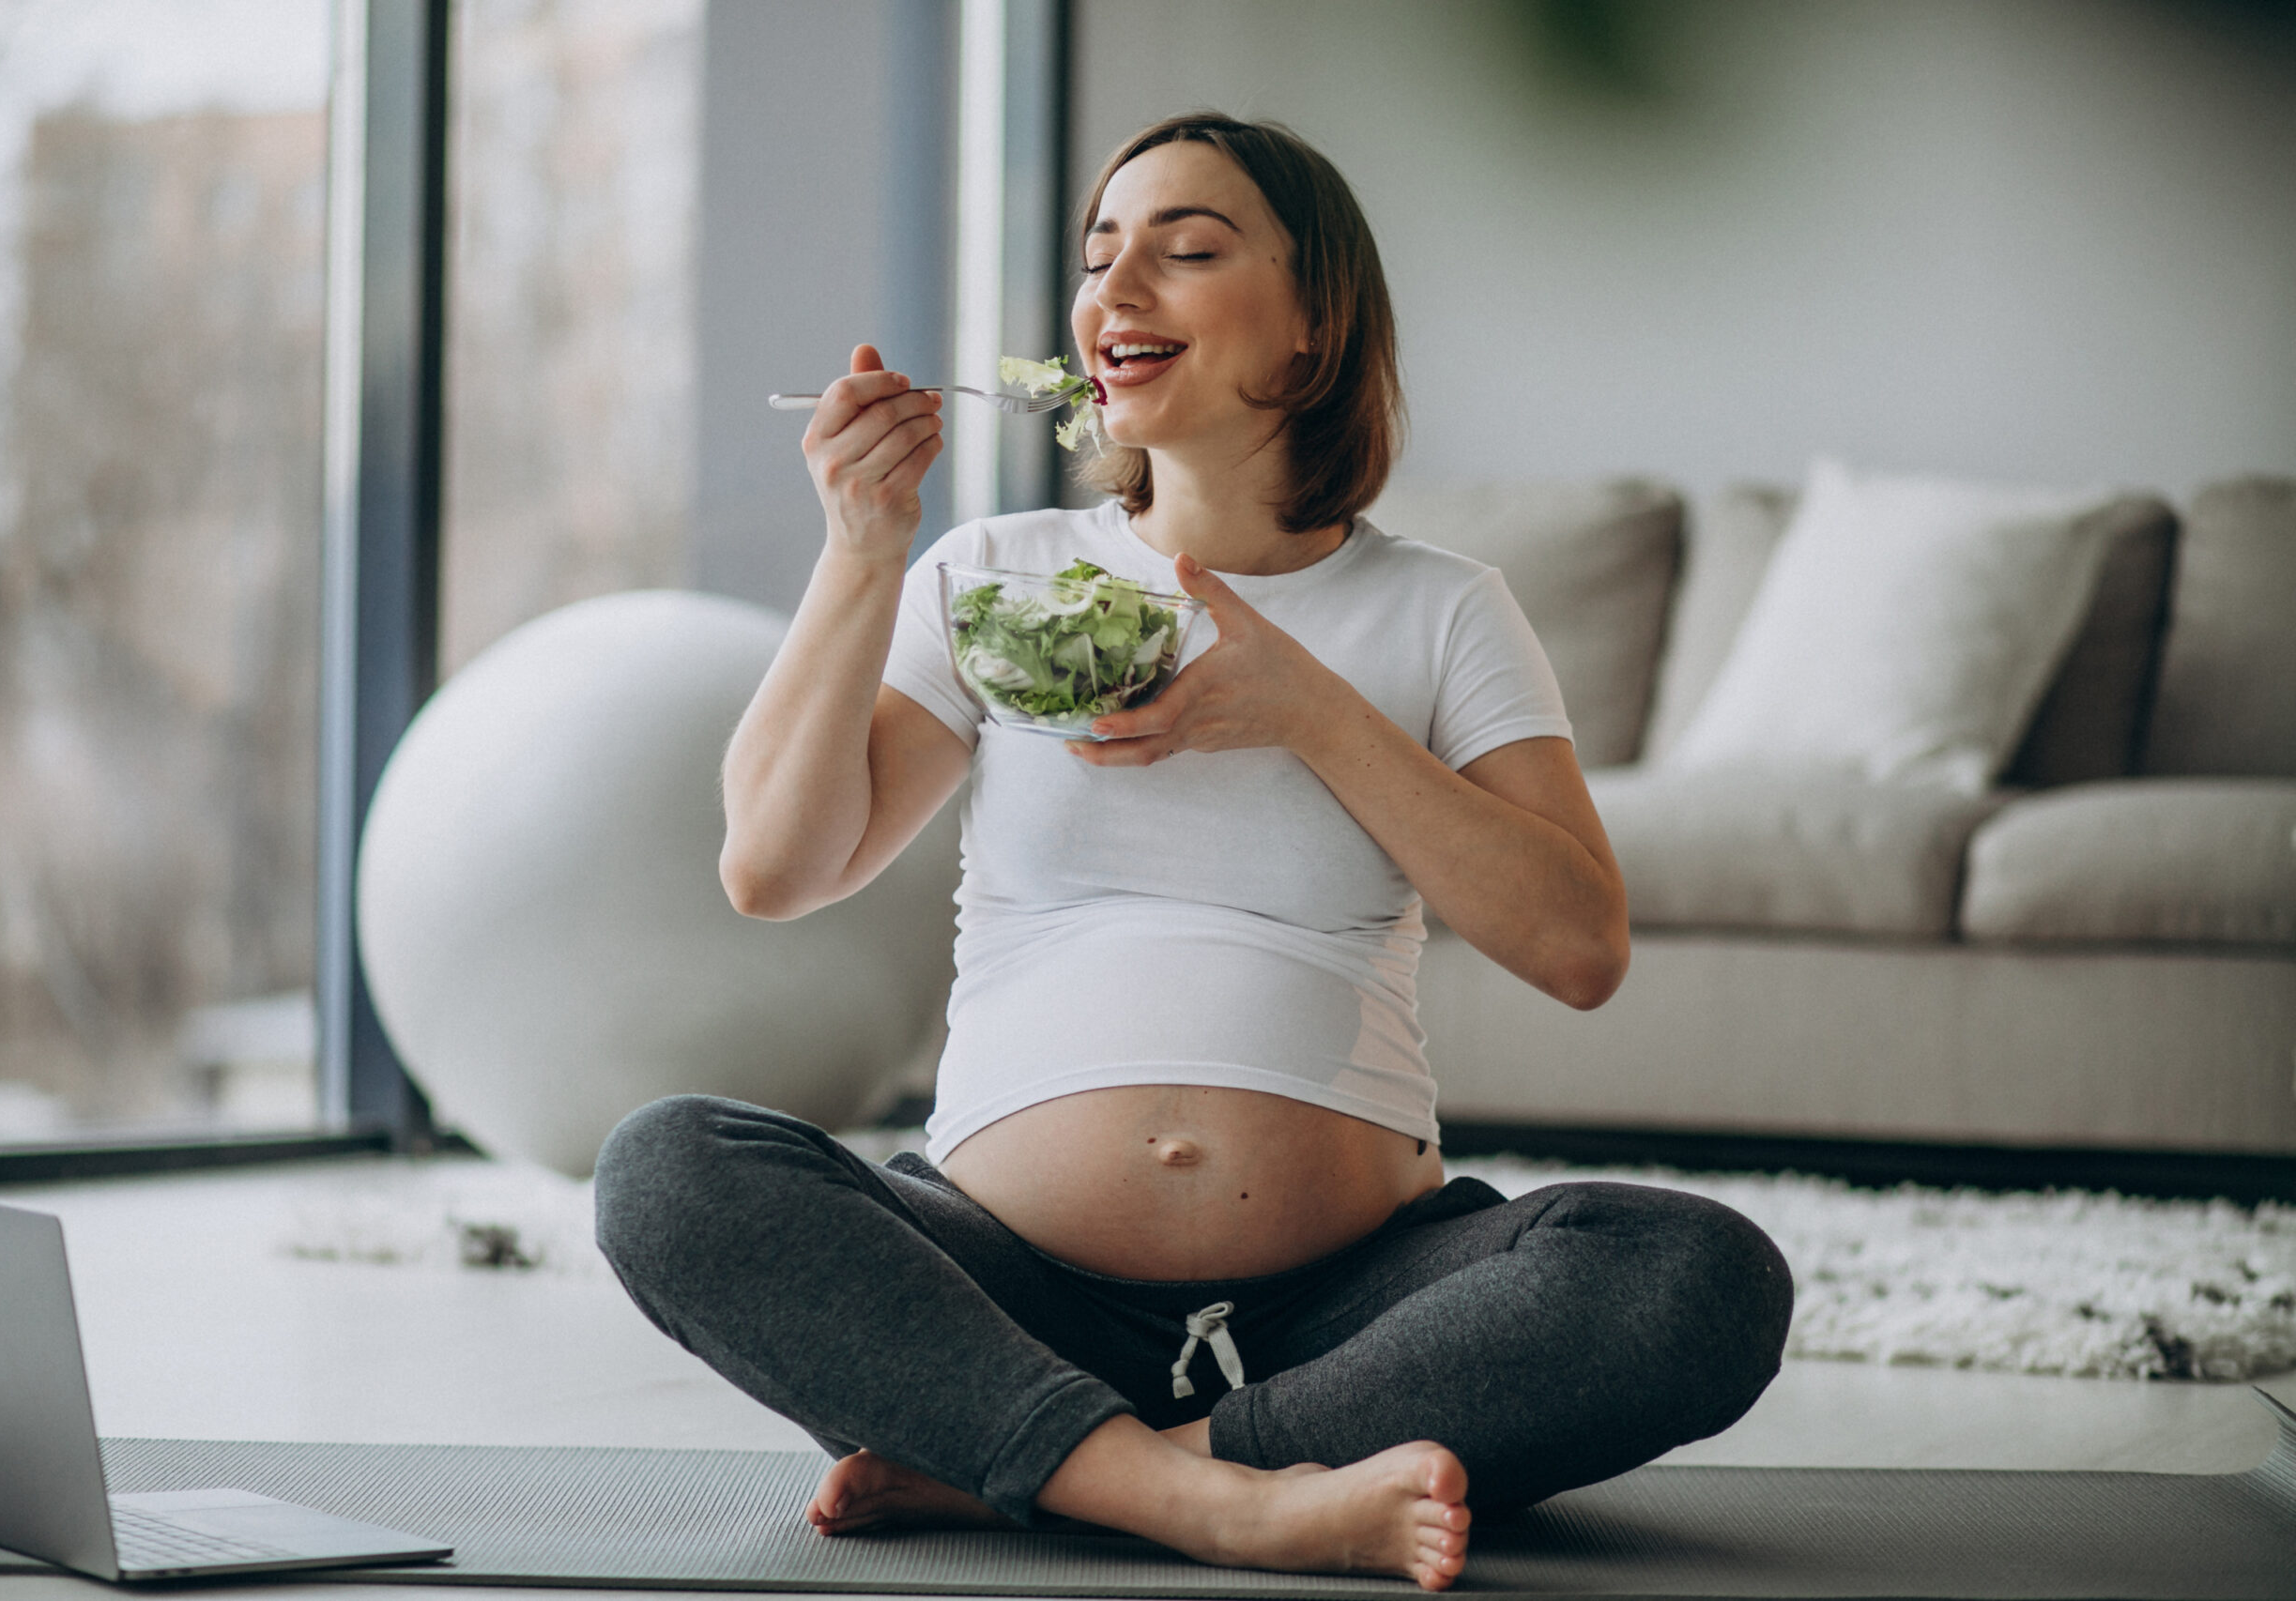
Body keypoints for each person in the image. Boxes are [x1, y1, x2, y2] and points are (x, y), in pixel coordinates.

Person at [594, 113, 1792, 1591]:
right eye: (1100, 256)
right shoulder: (997, 573)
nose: (1115, 288)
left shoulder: (1442, 609)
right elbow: (774, 866)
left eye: (1188, 248)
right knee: (668, 1167)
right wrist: (861, 549)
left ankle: (1061, 1463)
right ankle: (1226, 1495)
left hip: (1350, 1303)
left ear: (1311, 327)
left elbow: (1578, 947)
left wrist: (1305, 705)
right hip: (1008, 1280)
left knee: (1702, 1276)